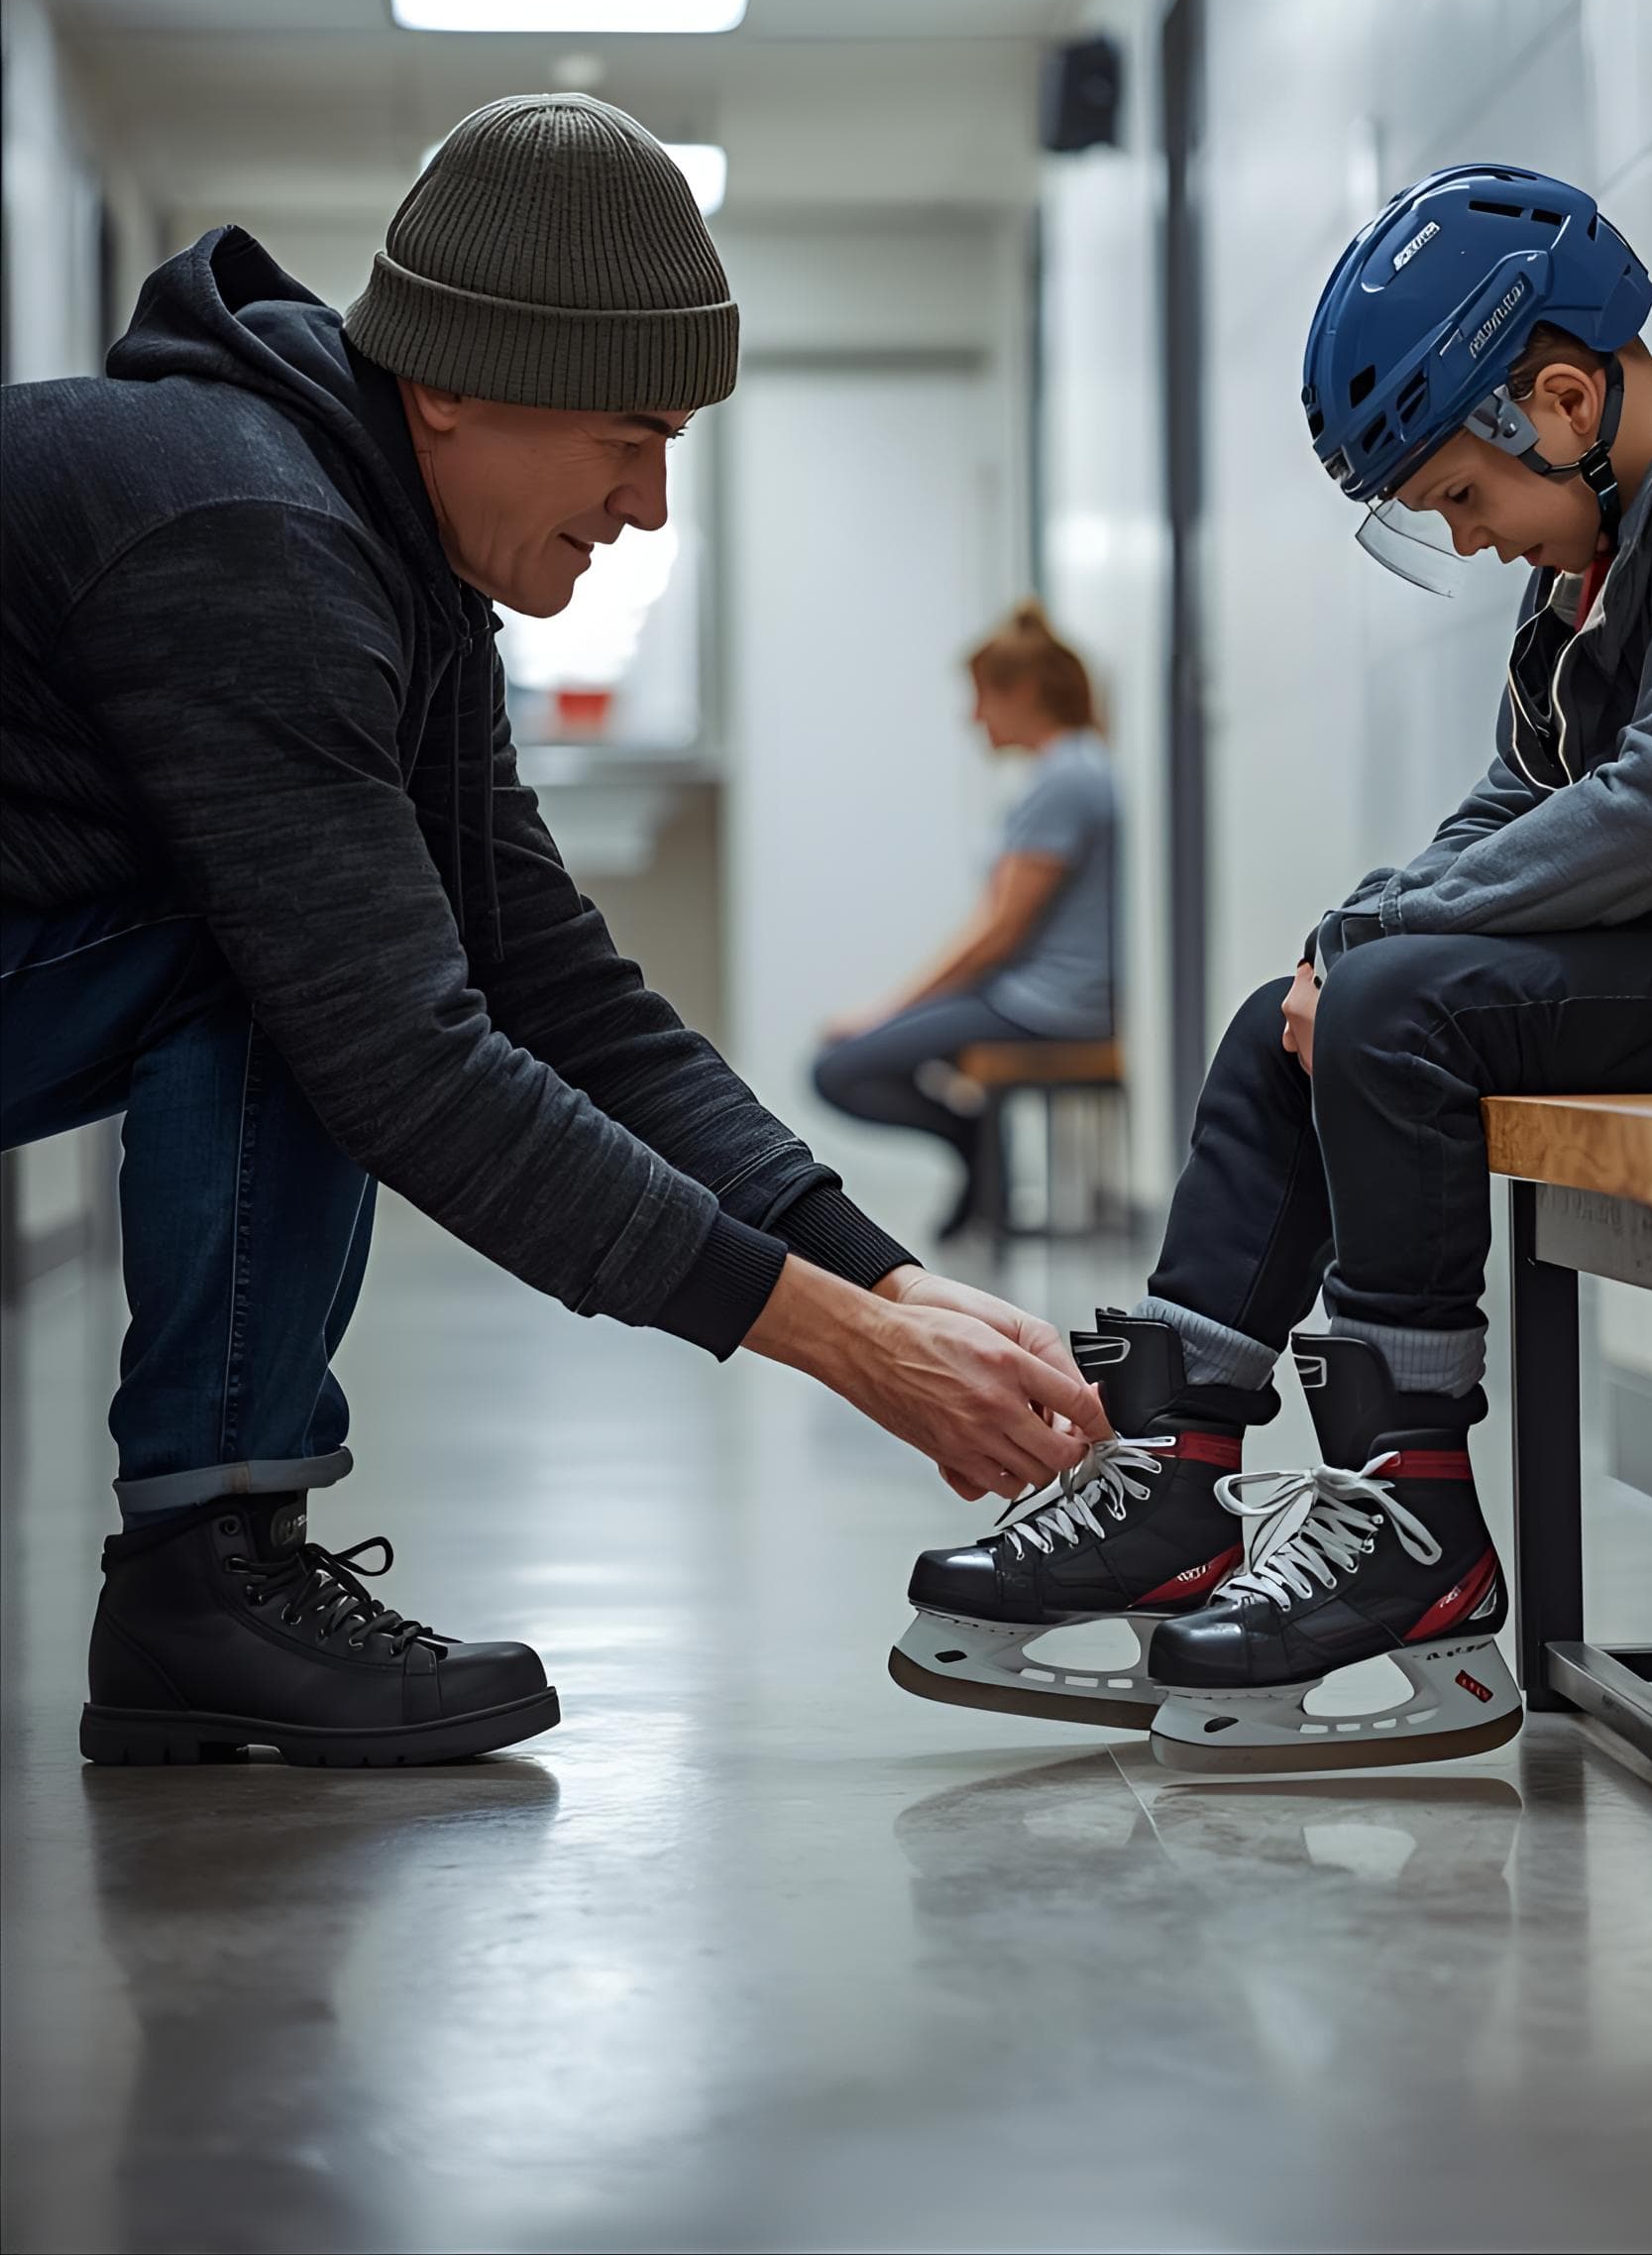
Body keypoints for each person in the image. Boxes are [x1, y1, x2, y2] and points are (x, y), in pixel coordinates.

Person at [0, 94, 1107, 1771]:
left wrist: (883, 1271)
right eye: (630, 434)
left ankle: (203, 1574)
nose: (651, 507)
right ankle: (204, 1576)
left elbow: (555, 984)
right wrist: (840, 1344)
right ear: (451, 381)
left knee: (307, 952)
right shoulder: (257, 541)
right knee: (292, 968)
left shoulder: (391, 570)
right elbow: (404, 1056)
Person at [889, 162, 1652, 1773]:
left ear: (1562, 395)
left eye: (1462, 500)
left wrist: (1373, 947)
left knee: (1388, 999)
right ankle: (1174, 1476)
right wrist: (1342, 930)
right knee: (1285, 1019)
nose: (1468, 538)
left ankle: (1414, 1521)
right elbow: (1528, 795)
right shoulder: (1601, 552)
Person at [813, 604, 1117, 1237]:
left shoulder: (1065, 780)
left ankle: (973, 1143)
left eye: (982, 698)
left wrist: (888, 1011)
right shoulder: (1076, 769)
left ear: (1025, 693)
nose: (973, 716)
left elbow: (998, 933)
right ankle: (977, 1153)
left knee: (839, 1069)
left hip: (1049, 1005)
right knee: (863, 1055)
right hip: (1032, 992)